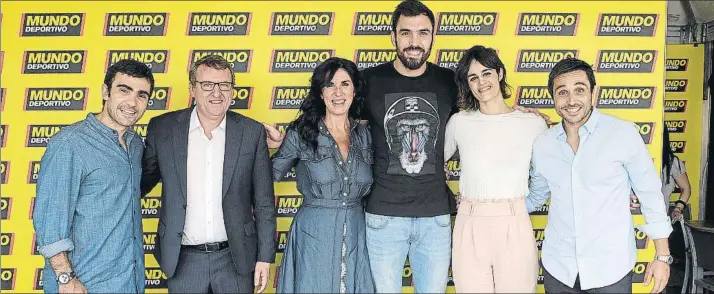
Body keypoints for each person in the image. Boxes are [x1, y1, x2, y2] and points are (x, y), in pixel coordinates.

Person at [263, 1, 551, 292]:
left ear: (433, 36)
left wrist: (524, 114)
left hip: (435, 219)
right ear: (393, 36)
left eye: (423, 33)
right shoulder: (367, 81)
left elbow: (486, 116)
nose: (415, 42)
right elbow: (335, 116)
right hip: (382, 218)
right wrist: (289, 138)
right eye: (406, 33)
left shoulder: (451, 81)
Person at [526, 57, 673, 293]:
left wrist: (662, 255)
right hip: (559, 269)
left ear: (593, 93)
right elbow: (535, 196)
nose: (571, 100)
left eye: (579, 90)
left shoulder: (622, 134)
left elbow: (650, 195)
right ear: (553, 98)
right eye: (562, 92)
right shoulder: (543, 144)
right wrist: (486, 207)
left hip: (610, 271)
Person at [140, 54, 276, 293]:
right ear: (192, 88)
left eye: (224, 85)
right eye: (207, 85)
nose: (217, 93)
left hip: (236, 259)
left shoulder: (251, 132)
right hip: (183, 260)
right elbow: (141, 182)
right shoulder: (162, 128)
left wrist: (264, 257)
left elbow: (264, 203)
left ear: (232, 90)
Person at [32, 59, 153, 293]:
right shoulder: (70, 144)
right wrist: (65, 278)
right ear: (105, 92)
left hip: (130, 282)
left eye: (142, 95)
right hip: (85, 284)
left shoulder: (136, 144)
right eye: (124, 90)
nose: (132, 102)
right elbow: (50, 219)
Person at [444, 45, 546, 293]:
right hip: (469, 222)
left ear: (499, 74)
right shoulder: (459, 122)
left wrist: (520, 207)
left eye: (486, 73)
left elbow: (544, 177)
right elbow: (432, 165)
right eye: (473, 77)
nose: (481, 83)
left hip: (515, 222)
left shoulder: (533, 123)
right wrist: (449, 199)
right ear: (467, 84)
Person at [270, 57, 375, 293]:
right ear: (320, 92)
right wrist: (265, 146)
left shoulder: (367, 134)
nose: (338, 92)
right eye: (330, 85)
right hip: (314, 234)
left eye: (345, 84)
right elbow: (268, 176)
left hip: (359, 233)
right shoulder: (301, 133)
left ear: (354, 89)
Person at [661, 127, 691, 221]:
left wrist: (678, 209)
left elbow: (686, 189)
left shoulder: (672, 161)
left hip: (659, 221)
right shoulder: (635, 159)